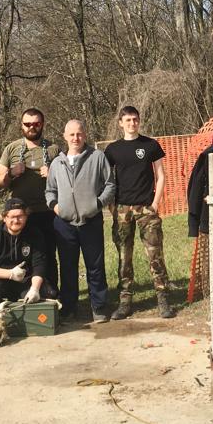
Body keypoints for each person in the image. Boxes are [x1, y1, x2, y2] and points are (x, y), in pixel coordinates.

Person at [104, 106, 175, 319]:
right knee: (124, 257)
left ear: (139, 121)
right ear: (120, 123)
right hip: (122, 209)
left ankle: (163, 299)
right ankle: (125, 301)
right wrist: (112, 207)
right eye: (127, 120)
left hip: (146, 208)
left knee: (155, 254)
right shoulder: (112, 149)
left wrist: (155, 203)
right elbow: (106, 180)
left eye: (135, 119)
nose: (132, 123)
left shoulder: (150, 145)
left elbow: (161, 175)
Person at [46, 118, 115, 323]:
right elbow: (50, 190)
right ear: (65, 136)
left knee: (95, 266)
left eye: (79, 134)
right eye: (72, 134)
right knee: (67, 266)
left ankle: (99, 307)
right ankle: (69, 307)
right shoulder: (57, 162)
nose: (76, 138)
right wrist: (55, 207)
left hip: (91, 220)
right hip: (64, 223)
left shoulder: (97, 157)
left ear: (84, 135)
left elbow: (110, 184)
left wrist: (97, 204)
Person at [0, 108, 61, 289]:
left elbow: (67, 180)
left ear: (42, 125)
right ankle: (23, 292)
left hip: (48, 212)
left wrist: (53, 174)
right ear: (21, 125)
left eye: (36, 124)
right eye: (28, 124)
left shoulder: (54, 149)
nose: (32, 127)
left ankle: (51, 292)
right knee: (22, 255)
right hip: (21, 215)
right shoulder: (12, 148)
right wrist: (12, 172)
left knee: (48, 254)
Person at [0, 198, 58, 309]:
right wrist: (10, 274)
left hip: (25, 280)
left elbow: (40, 264)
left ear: (26, 217)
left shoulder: (35, 234)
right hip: (0, 280)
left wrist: (35, 289)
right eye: (12, 217)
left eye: (20, 216)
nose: (16, 220)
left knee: (48, 293)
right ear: (4, 218)